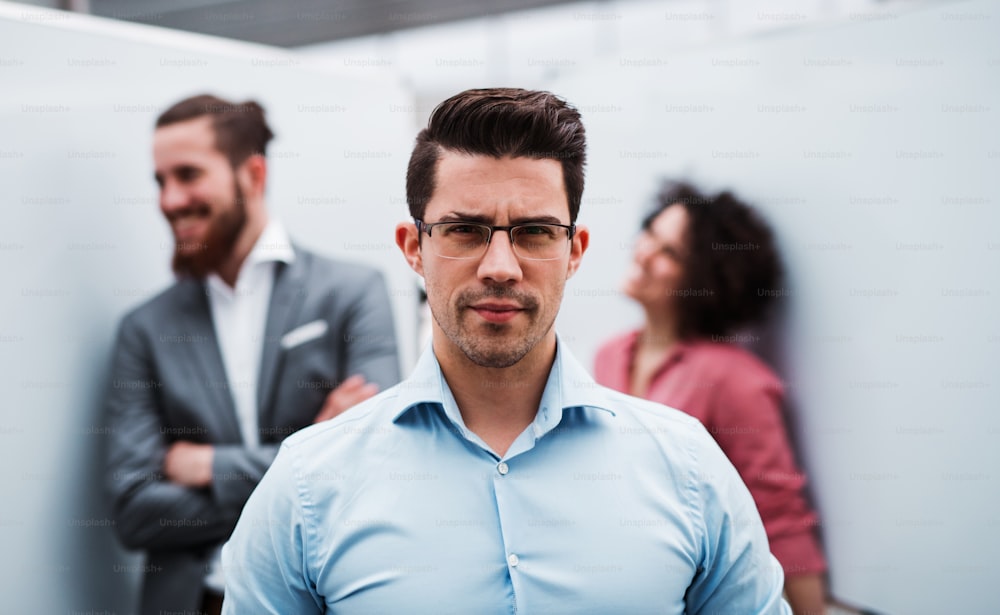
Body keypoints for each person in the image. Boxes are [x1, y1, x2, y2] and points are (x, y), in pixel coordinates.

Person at [220, 88, 791, 614]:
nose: (500, 268)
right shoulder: (307, 483)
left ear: (575, 250)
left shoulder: (687, 467)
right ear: (413, 248)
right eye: (465, 230)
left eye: (536, 232)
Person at [104, 94, 401, 615]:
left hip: (325, 598)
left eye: (188, 175)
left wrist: (207, 466)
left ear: (253, 175)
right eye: (160, 181)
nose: (169, 200)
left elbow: (372, 468)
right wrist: (311, 452)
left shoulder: (352, 294)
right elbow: (133, 511)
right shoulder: (144, 329)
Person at [594, 180, 828, 614]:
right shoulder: (610, 355)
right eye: (650, 233)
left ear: (704, 280)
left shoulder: (734, 379)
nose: (643, 252)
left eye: (669, 252)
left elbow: (780, 517)